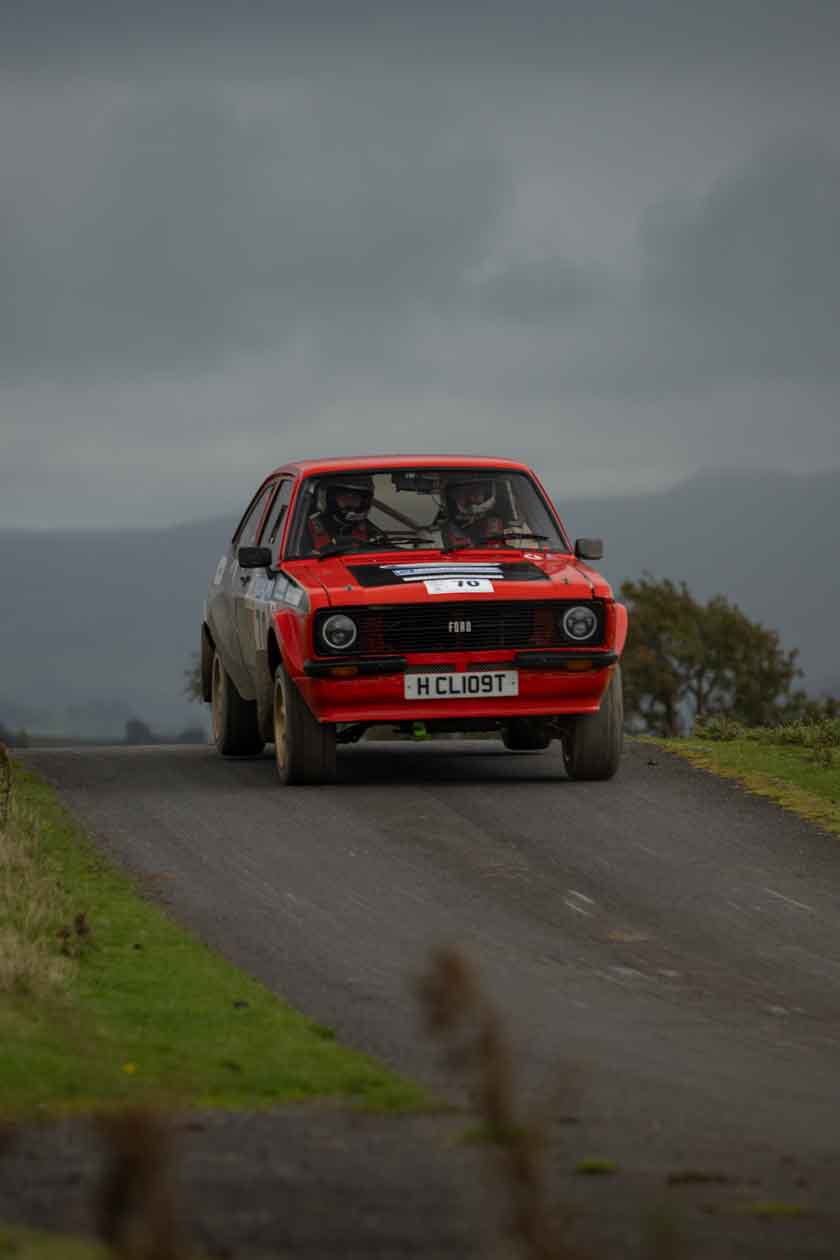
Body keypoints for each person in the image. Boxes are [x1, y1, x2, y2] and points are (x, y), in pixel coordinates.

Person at [306, 474, 388, 552]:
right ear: (330, 499)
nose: (351, 502)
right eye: (346, 497)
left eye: (356, 498)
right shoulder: (305, 529)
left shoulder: (371, 532)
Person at [441, 476, 507, 549]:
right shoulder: (448, 528)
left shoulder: (494, 522)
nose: (472, 498)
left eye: (476, 493)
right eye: (465, 494)